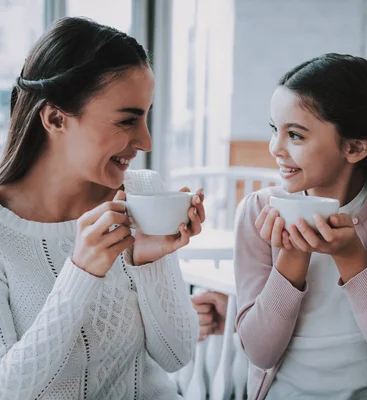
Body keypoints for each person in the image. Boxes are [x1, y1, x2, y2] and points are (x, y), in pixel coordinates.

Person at [0, 17, 217, 399]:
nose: (146, 141)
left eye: (146, 116)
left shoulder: (141, 192)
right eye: (128, 120)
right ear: (55, 118)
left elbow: (176, 356)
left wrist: (150, 262)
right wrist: (81, 272)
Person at [233, 53, 367, 400]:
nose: (275, 148)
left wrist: (353, 258)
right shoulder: (256, 212)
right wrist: (292, 258)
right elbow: (259, 353)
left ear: (355, 147)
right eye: (274, 130)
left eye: (294, 135)